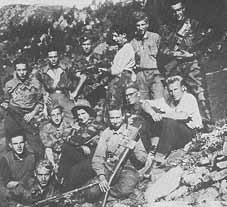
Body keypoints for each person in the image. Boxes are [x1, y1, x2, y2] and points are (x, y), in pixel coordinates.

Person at [159, 0, 212, 121]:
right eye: (174, 11)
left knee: (200, 94)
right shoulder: (166, 28)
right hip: (174, 66)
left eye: (179, 10)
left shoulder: (194, 24)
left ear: (184, 9)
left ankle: (208, 124)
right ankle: (187, 126)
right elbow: (162, 48)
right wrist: (174, 53)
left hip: (192, 64)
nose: (177, 13)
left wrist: (191, 55)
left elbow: (204, 45)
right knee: (177, 97)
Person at [84, 107, 147, 203]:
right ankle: (107, 195)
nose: (115, 121)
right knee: (91, 192)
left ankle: (106, 198)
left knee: (125, 188)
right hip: (109, 167)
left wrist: (133, 149)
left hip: (128, 168)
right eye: (112, 118)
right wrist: (101, 177)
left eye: (117, 117)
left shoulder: (133, 132)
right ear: (109, 119)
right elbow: (98, 158)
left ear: (122, 117)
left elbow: (142, 158)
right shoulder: (106, 133)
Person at [141, 75, 202, 162]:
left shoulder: (188, 98)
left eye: (176, 89)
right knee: (149, 116)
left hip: (191, 135)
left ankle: (160, 155)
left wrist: (161, 115)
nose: (173, 93)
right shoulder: (169, 100)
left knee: (170, 122)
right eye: (170, 91)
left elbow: (182, 116)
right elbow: (144, 103)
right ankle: (152, 148)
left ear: (183, 88)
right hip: (175, 136)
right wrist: (153, 113)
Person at [2, 57, 44, 160]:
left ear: (27, 70)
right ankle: (12, 169)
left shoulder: (35, 83)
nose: (22, 73)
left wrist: (32, 114)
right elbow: (5, 99)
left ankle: (38, 168)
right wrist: (5, 104)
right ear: (15, 71)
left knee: (36, 146)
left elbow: (41, 102)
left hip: (28, 116)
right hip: (13, 115)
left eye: (24, 69)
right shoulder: (9, 84)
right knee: (12, 144)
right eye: (19, 70)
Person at [58, 99, 104, 191]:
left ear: (89, 113)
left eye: (83, 114)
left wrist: (74, 132)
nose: (81, 117)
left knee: (74, 170)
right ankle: (60, 183)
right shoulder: (80, 125)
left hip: (94, 158)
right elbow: (63, 138)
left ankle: (67, 191)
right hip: (83, 155)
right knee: (66, 151)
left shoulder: (95, 124)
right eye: (79, 115)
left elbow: (80, 139)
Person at [131, 11, 164, 100]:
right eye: (138, 25)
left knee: (159, 100)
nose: (140, 28)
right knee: (143, 101)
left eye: (143, 25)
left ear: (147, 24)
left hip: (155, 73)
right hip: (141, 74)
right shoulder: (133, 42)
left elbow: (163, 55)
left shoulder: (155, 37)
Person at [37, 48, 76, 121]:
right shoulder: (43, 71)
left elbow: (77, 78)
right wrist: (45, 104)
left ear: (58, 57)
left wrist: (74, 93)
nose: (53, 59)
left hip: (64, 97)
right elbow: (41, 86)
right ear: (47, 58)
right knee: (53, 120)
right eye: (51, 57)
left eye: (55, 57)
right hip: (51, 98)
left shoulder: (66, 68)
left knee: (71, 118)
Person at [0, 131, 35, 206]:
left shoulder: (32, 157)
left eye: (21, 143)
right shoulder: (5, 159)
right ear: (10, 145)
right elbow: (5, 183)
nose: (19, 146)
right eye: (15, 144)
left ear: (25, 143)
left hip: (30, 192)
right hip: (12, 195)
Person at [106, 23, 137, 107]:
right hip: (120, 78)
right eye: (113, 36)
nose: (114, 38)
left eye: (116, 36)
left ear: (123, 35)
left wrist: (106, 70)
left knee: (116, 103)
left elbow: (116, 70)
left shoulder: (127, 48)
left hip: (124, 79)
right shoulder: (121, 48)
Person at [40, 104, 72, 171]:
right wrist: (53, 163)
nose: (56, 117)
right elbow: (48, 146)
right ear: (49, 117)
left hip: (66, 155)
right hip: (51, 154)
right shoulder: (46, 128)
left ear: (62, 114)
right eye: (53, 115)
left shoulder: (68, 126)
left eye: (58, 114)